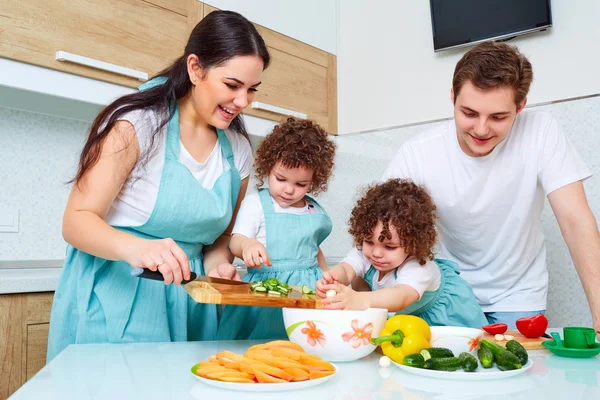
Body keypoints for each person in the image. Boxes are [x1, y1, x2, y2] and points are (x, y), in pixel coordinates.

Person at [46, 10, 270, 361]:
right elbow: (76, 220)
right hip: (119, 293)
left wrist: (217, 268)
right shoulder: (137, 125)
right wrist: (136, 248)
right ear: (196, 69)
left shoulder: (237, 151)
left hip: (190, 303)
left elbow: (219, 239)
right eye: (232, 85)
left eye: (251, 90)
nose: (243, 102)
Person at [357, 41, 600, 331]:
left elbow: (575, 221)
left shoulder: (542, 131)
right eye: (469, 113)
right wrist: (354, 305)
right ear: (452, 97)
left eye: (498, 117)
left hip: (517, 297)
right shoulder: (418, 152)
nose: (481, 129)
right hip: (446, 296)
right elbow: (376, 227)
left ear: (520, 106)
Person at [217, 117, 337, 340]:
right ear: (268, 167)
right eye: (281, 179)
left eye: (301, 184)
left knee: (304, 346)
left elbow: (315, 250)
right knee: (258, 346)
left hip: (307, 295)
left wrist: (326, 278)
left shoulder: (313, 209)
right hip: (266, 294)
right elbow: (235, 240)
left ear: (314, 180)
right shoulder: (256, 204)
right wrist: (247, 244)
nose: (289, 190)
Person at [317, 179, 488, 328]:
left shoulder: (419, 267)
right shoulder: (366, 251)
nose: (376, 253)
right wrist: (333, 278)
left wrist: (359, 299)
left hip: (446, 320)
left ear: (413, 243)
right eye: (369, 241)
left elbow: (401, 296)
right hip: (408, 320)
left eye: (389, 247)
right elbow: (347, 269)